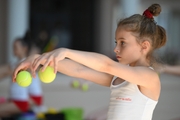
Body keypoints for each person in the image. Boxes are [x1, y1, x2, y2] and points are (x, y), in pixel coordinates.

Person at [13, 3, 167, 120]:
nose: (116, 49)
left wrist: (66, 51)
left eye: (122, 43)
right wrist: (39, 59)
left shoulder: (149, 77)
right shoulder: (119, 77)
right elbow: (79, 70)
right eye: (116, 42)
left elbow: (106, 64)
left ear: (144, 46)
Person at [0, 38, 45, 118]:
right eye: (13, 47)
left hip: (21, 102)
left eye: (15, 47)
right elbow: (4, 70)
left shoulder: (26, 63)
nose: (13, 49)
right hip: (14, 99)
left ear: (24, 49)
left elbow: (34, 68)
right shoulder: (15, 64)